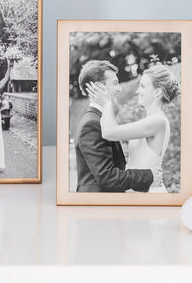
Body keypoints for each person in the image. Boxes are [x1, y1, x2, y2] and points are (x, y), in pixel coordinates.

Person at [87, 63, 179, 193]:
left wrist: (107, 102)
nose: (138, 91)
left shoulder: (158, 121)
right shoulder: (150, 121)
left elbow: (109, 132)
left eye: (143, 86)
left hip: (149, 192)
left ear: (157, 92)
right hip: (139, 189)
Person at [74, 60, 158, 193]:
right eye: (115, 83)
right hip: (96, 202)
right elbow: (107, 177)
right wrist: (149, 176)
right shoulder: (91, 124)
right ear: (99, 87)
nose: (119, 88)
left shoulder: (99, 119)